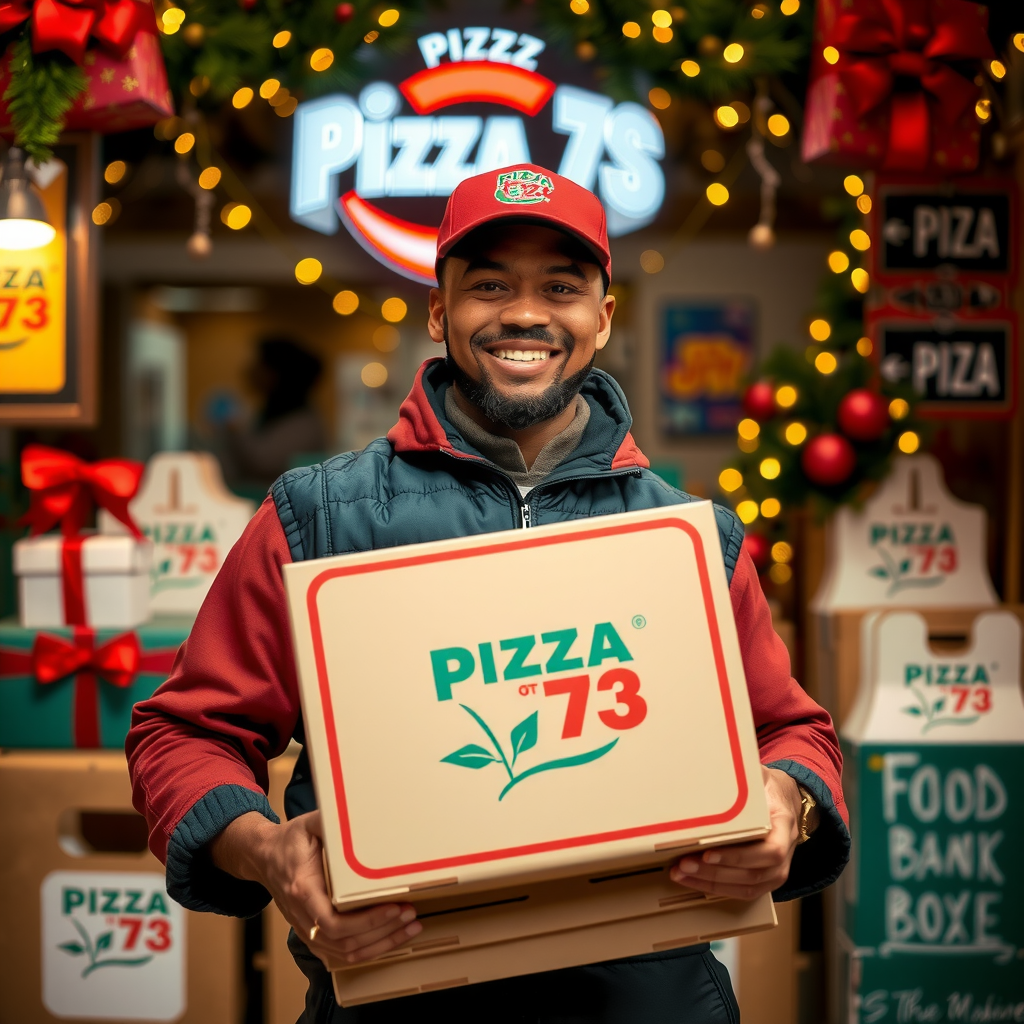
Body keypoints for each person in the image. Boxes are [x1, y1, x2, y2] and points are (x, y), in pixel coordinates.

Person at [127, 164, 849, 1023]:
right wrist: (264, 849)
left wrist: (789, 799)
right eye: (490, 285)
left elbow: (793, 732)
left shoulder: (692, 540)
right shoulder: (316, 517)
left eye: (561, 287)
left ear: (602, 318)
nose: (525, 314)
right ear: (440, 311)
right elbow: (184, 733)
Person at [220, 335, 325, 487]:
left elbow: (263, 464)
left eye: (259, 364)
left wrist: (234, 430)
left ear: (275, 374)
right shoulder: (264, 413)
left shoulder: (302, 424)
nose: (249, 371)